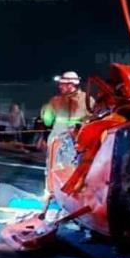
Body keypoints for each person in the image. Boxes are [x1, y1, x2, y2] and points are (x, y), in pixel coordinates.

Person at [40, 71, 88, 200]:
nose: (59, 87)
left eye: (62, 84)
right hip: (78, 142)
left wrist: (45, 111)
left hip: (61, 140)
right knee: (74, 169)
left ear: (71, 84)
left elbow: (47, 121)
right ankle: (70, 195)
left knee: (55, 168)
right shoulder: (88, 99)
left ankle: (52, 194)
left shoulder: (56, 101)